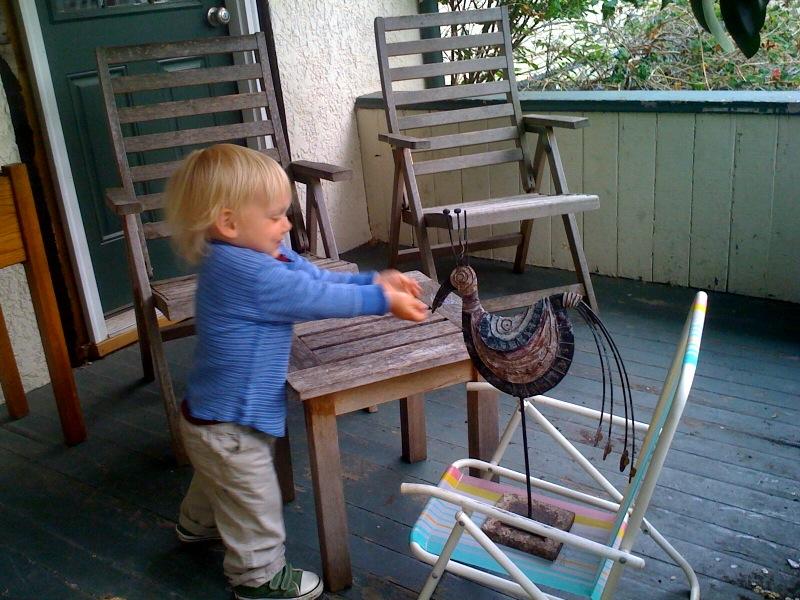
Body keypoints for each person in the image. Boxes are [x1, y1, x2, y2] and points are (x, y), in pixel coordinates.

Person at [165, 143, 428, 600]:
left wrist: (373, 280)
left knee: (221, 479)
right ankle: (259, 578)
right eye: (275, 217)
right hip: (231, 422)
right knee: (254, 499)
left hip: (213, 415)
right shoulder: (244, 272)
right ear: (229, 223)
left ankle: (195, 526)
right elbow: (315, 299)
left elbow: (316, 279)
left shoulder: (264, 255)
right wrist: (382, 301)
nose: (286, 225)